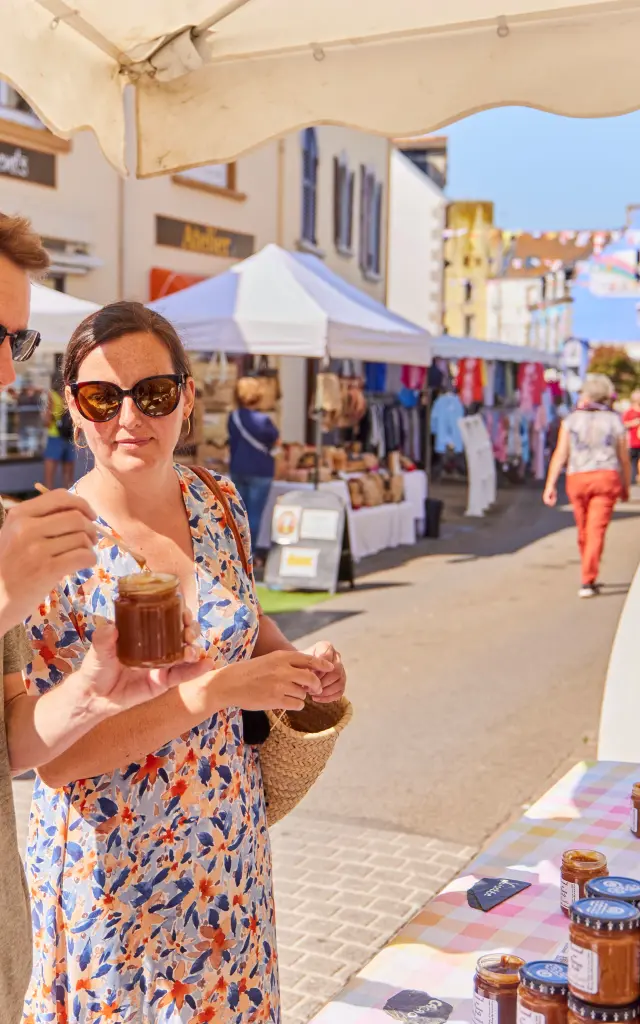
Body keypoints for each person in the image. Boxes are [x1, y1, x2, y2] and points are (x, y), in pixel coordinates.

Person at [22, 301, 346, 1023]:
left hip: (225, 844)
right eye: (102, 398)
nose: (129, 417)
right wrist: (218, 692)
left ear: (187, 398)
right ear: (72, 409)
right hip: (114, 866)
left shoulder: (217, 498)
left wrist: (298, 666)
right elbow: (54, 761)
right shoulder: (55, 543)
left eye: (154, 394)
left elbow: (243, 614)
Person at [0, 214, 208, 1023]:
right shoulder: (44, 539)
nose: (3, 371)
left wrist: (95, 687)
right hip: (106, 890)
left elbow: (15, 744)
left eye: (13, 342)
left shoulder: (9, 525)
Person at [543, 374, 631, 599]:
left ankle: (587, 572)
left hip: (577, 477)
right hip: (606, 477)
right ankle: (588, 577)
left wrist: (550, 483)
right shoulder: (614, 421)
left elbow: (561, 453)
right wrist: (625, 485)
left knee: (583, 529)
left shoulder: (571, 420)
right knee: (595, 530)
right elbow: (623, 458)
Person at [228, 376, 279, 555]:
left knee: (238, 513)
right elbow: (275, 441)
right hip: (260, 469)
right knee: (255, 514)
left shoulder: (233, 417)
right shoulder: (263, 420)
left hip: (238, 468)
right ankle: (250, 553)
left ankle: (237, 551)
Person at [43, 373, 75, 489]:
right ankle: (68, 502)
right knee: (68, 477)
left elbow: (46, 421)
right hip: (70, 435)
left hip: (55, 435)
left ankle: (48, 501)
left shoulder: (51, 396)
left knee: (49, 477)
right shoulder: (70, 395)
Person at [623, 389, 640, 485]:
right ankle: (632, 479)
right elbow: (624, 424)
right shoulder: (629, 412)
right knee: (633, 462)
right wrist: (633, 423)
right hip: (633, 442)